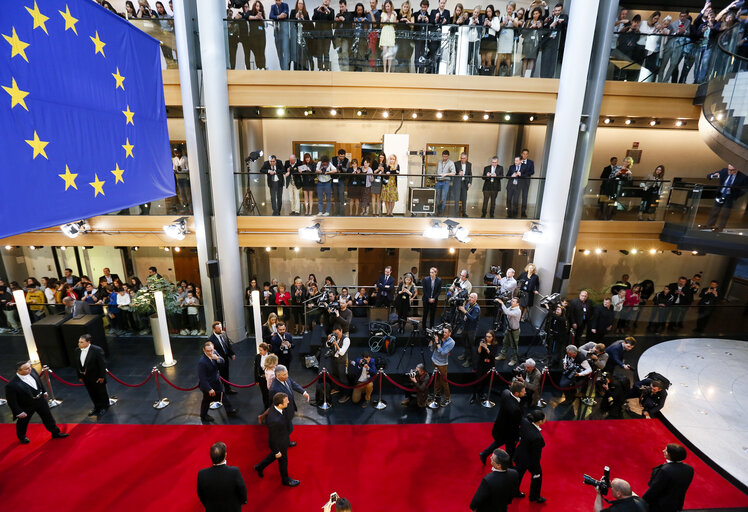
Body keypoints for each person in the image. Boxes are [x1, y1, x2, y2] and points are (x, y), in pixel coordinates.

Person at [6, 361, 70, 444]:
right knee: (23, 422)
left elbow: (38, 381)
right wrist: (18, 412)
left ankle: (55, 433)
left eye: (30, 367)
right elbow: (12, 401)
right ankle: (22, 437)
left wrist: (44, 391)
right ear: (19, 371)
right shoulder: (12, 385)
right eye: (27, 369)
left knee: (48, 417)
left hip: (40, 400)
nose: (30, 369)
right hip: (26, 405)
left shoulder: (33, 371)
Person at [254, 392, 300, 487]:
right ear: (280, 404)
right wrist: (276, 451)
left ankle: (259, 466)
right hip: (279, 443)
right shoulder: (274, 421)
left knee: (274, 457)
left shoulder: (275, 406)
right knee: (283, 461)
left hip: (283, 439)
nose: (288, 402)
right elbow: (272, 438)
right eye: (286, 401)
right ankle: (285, 480)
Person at [479, 380, 525, 462]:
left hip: (500, 426)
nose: (525, 392)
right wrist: (517, 437)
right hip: (509, 432)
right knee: (510, 449)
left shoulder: (506, 392)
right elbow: (515, 426)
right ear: (517, 393)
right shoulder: (515, 409)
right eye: (523, 391)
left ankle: (484, 453)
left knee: (498, 442)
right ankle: (509, 464)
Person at [196, 442, 248, 512]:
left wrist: (208, 505)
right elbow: (242, 490)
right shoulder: (234, 472)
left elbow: (201, 494)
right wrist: (242, 502)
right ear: (225, 455)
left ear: (211, 456)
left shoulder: (202, 474)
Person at [642, 444, 694, 512]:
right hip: (676, 504)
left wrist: (642, 501)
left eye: (666, 451)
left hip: (659, 506)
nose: (663, 451)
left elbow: (654, 489)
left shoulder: (664, 470)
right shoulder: (689, 469)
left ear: (670, 455)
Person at [198, 341, 239, 422]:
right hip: (208, 385)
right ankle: (203, 415)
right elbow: (202, 378)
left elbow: (222, 361)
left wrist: (217, 358)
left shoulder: (214, 352)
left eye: (211, 350)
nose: (210, 352)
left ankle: (229, 411)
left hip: (216, 381)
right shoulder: (202, 362)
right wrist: (209, 389)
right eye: (208, 351)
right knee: (206, 400)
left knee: (223, 395)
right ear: (204, 350)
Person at [514, 409, 546, 503]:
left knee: (518, 475)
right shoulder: (537, 437)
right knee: (537, 477)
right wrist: (536, 469)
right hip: (529, 460)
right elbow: (536, 456)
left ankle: (514, 492)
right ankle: (534, 497)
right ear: (540, 421)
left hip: (519, 454)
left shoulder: (525, 422)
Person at [74, 334, 110, 417]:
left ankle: (104, 407)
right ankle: (97, 407)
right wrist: (79, 376)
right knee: (91, 392)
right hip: (86, 377)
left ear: (88, 342)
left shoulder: (97, 350)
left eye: (81, 342)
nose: (79, 344)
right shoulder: (77, 350)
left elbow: (102, 364)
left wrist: (102, 377)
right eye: (79, 342)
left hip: (97, 376)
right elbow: (77, 364)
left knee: (101, 392)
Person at [704, 165, 746, 231]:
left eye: (732, 170)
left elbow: (744, 189)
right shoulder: (724, 171)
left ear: (737, 169)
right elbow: (708, 176)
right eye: (729, 170)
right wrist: (713, 175)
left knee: (725, 213)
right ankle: (709, 226)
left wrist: (736, 196)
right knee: (715, 210)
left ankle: (720, 228)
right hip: (720, 193)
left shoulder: (743, 176)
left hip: (730, 196)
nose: (730, 171)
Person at [268, 364, 310, 429]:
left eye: (287, 373)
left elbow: (293, 384)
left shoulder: (286, 378)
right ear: (277, 376)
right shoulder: (274, 389)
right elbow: (274, 405)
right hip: (284, 415)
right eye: (284, 375)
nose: (287, 376)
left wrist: (304, 392)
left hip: (290, 410)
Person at [429, 323, 455, 406]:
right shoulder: (439, 337)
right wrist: (432, 340)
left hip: (442, 364)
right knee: (436, 379)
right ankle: (437, 393)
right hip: (434, 360)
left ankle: (447, 399)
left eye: (445, 332)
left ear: (450, 333)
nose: (443, 334)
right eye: (443, 331)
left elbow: (443, 352)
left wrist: (437, 343)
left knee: (444, 381)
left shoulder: (451, 342)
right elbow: (431, 348)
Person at [209, 321, 237, 395]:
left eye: (221, 328)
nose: (220, 330)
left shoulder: (223, 333)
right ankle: (219, 392)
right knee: (220, 377)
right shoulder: (211, 340)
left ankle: (228, 389)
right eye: (218, 329)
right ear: (214, 330)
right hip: (218, 361)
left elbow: (228, 344)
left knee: (226, 375)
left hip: (225, 359)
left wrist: (232, 354)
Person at [472, 330, 499, 404]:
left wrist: (487, 348)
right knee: (477, 379)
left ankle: (481, 393)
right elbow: (478, 352)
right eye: (486, 336)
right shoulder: (483, 342)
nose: (487, 338)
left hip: (489, 364)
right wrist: (480, 346)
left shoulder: (495, 344)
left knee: (485, 380)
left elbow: (492, 355)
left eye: (489, 337)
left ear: (493, 337)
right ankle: (474, 396)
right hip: (481, 363)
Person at [328, 323, 351, 402]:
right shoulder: (334, 336)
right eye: (335, 333)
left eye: (338, 333)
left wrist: (336, 344)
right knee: (334, 375)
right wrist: (329, 340)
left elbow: (341, 352)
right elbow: (327, 345)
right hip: (334, 359)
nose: (336, 335)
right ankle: (336, 388)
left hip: (341, 361)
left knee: (343, 378)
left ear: (341, 331)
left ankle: (346, 395)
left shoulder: (346, 339)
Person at [457, 292, 481, 368]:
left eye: (472, 297)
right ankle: (465, 354)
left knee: (470, 345)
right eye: (469, 297)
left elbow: (473, 318)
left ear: (476, 299)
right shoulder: (468, 304)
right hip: (465, 327)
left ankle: (469, 360)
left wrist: (464, 311)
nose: (470, 298)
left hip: (471, 329)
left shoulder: (476, 308)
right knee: (464, 341)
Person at [496, 297, 521, 366]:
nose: (511, 302)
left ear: (517, 304)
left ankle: (514, 359)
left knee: (514, 346)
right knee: (505, 342)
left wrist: (502, 303)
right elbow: (505, 311)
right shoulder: (511, 307)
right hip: (509, 328)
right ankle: (503, 355)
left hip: (514, 331)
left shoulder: (518, 311)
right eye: (512, 301)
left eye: (513, 301)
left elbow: (507, 312)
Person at [435, 150, 456, 215]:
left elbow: (454, 173)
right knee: (437, 196)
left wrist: (446, 174)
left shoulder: (451, 163)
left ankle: (441, 210)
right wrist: (435, 179)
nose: (445, 158)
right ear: (442, 155)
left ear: (448, 156)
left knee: (443, 197)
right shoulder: (439, 162)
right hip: (438, 181)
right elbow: (436, 172)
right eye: (444, 156)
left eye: (446, 156)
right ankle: (438, 209)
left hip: (445, 182)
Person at [453, 152, 473, 217]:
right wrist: (458, 173)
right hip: (458, 182)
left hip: (465, 183)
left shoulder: (469, 164)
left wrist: (470, 182)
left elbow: (470, 174)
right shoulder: (456, 163)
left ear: (466, 158)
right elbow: (453, 173)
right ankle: (456, 213)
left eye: (464, 158)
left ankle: (464, 212)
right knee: (457, 198)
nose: (462, 159)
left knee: (464, 198)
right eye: (461, 158)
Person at [331, 149, 350, 216]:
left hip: (342, 179)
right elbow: (331, 168)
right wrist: (336, 169)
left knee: (341, 195)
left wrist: (341, 168)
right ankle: (336, 211)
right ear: (338, 155)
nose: (342, 158)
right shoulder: (333, 159)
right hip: (334, 179)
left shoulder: (347, 160)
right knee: (335, 195)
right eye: (341, 156)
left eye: (343, 156)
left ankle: (342, 212)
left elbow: (347, 169)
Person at [254, 342, 271, 409]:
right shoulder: (257, 357)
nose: (259, 351)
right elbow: (256, 369)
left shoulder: (271, 356)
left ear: (266, 350)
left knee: (271, 393)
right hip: (261, 379)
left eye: (261, 350)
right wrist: (256, 380)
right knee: (264, 394)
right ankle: (266, 408)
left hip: (270, 378)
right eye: (259, 350)